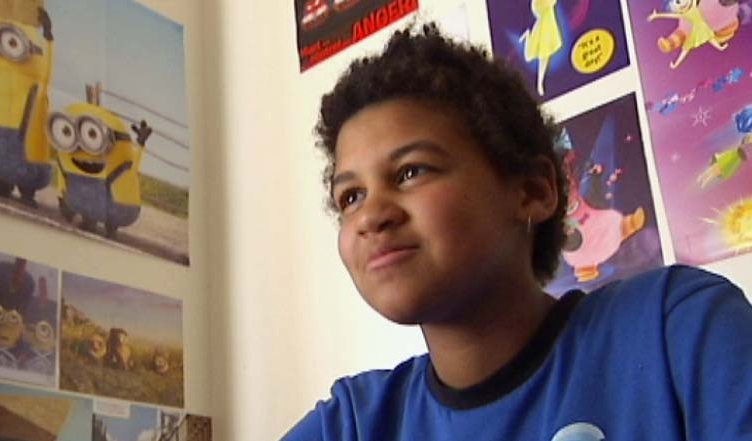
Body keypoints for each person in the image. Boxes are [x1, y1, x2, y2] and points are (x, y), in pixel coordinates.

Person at [282, 24, 752, 441]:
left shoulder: (675, 329)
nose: (370, 216)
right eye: (350, 197)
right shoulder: (355, 424)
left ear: (532, 191)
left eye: (410, 172)